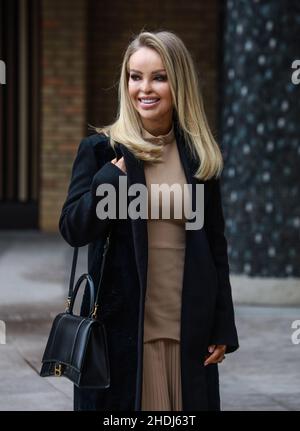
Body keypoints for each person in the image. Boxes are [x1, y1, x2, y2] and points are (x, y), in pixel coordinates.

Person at [59, 30, 239, 411]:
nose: (145, 88)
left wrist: (223, 326)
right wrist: (106, 182)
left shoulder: (199, 157)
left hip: (187, 333)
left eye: (159, 76)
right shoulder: (100, 151)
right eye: (134, 76)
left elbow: (215, 246)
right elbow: (73, 229)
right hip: (122, 336)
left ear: (179, 83)